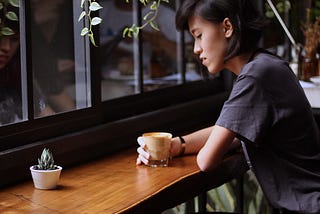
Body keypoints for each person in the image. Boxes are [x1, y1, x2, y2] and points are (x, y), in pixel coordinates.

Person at [136, 0, 320, 213]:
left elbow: (206, 160)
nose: (196, 49)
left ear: (227, 27)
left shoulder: (255, 77)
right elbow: (234, 131)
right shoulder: (268, 64)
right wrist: (177, 145)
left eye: (199, 36)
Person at [0, 5, 54, 126]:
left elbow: (48, 118)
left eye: (14, 39)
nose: (7, 47)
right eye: (1, 37)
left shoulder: (19, 78)